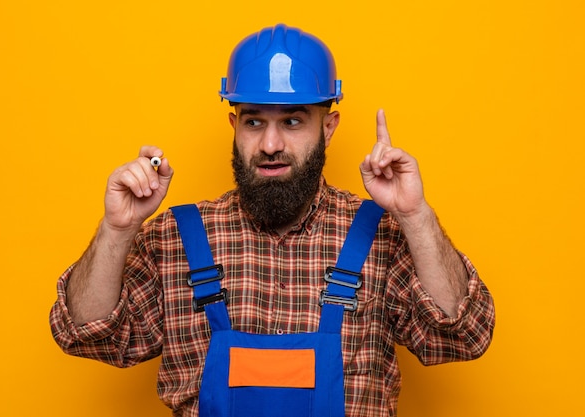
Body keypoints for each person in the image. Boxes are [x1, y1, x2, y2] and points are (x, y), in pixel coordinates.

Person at [50, 23, 495, 417]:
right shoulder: (176, 237)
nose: (270, 143)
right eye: (255, 121)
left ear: (329, 126)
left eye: (294, 120)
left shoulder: (381, 234)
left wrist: (415, 216)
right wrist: (118, 229)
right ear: (234, 125)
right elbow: (86, 336)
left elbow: (464, 336)